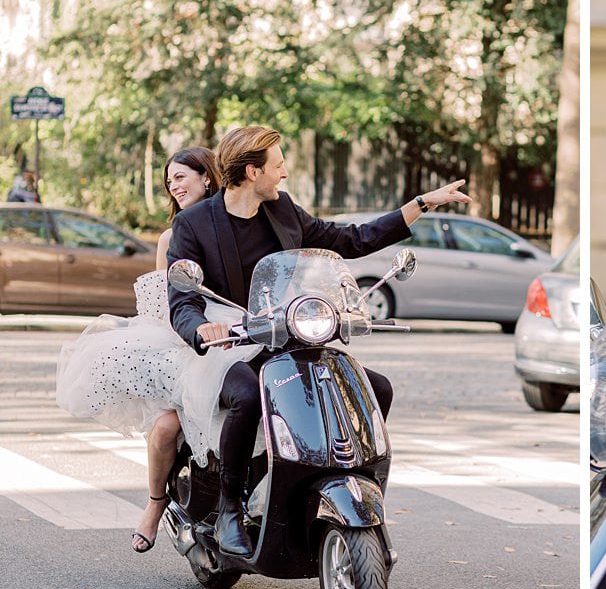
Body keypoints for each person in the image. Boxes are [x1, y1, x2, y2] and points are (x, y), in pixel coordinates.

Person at [167, 125, 470, 558]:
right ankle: (231, 507)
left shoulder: (283, 210)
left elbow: (350, 239)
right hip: (228, 341)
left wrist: (421, 204)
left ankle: (355, 485)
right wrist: (201, 329)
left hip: (284, 333)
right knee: (249, 397)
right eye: (278, 165)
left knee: (376, 387)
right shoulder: (194, 223)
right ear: (252, 172)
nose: (285, 173)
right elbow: (181, 300)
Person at [56, 147, 252, 553]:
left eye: (181, 177)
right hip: (181, 340)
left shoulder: (239, 222)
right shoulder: (171, 236)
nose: (174, 186)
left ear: (207, 177)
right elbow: (163, 306)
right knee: (165, 427)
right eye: (170, 181)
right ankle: (154, 503)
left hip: (241, 337)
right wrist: (198, 331)